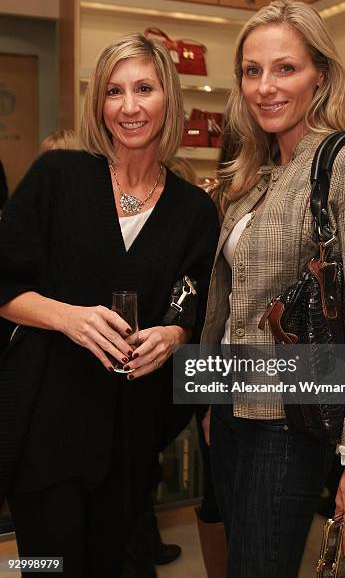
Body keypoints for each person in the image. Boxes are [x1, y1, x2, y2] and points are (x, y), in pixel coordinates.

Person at [200, 0, 345, 578]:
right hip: (233, 411)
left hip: (291, 422)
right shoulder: (252, 174)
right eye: (252, 70)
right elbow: (232, 301)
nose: (265, 87)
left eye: (285, 68)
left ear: (321, 74)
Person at [0, 33, 219, 578]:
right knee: (49, 567)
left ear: (168, 97)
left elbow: (190, 299)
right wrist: (68, 317)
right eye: (113, 91)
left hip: (129, 436)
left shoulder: (193, 209)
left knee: (109, 563)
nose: (129, 106)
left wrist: (175, 335)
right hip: (45, 428)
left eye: (144, 88)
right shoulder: (59, 178)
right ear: (98, 102)